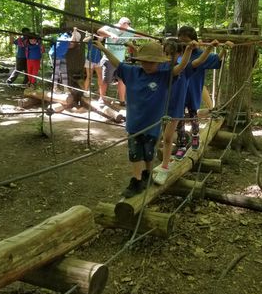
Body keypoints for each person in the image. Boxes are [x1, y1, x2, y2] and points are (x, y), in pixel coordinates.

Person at [93, 39, 195, 198]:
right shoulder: (132, 72)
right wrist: (102, 49)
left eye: (152, 62)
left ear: (158, 63)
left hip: (152, 125)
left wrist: (187, 51)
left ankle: (147, 173)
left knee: (149, 153)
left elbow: (180, 68)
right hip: (135, 124)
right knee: (135, 152)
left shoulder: (163, 76)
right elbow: (117, 63)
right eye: (145, 61)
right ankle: (136, 180)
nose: (148, 65)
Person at [153, 38, 220, 186]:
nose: (169, 56)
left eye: (172, 54)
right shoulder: (161, 66)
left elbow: (200, 61)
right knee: (159, 137)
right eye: (166, 53)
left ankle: (165, 167)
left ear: (179, 53)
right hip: (160, 108)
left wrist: (208, 48)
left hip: (175, 109)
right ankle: (157, 164)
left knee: (168, 138)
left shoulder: (186, 68)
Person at [176, 25, 234, 157]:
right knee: (179, 118)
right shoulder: (178, 53)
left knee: (193, 115)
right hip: (179, 92)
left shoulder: (200, 54)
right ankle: (181, 145)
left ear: (194, 40)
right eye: (181, 40)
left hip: (193, 90)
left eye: (186, 40)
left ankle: (195, 135)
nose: (184, 44)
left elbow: (216, 59)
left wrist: (224, 49)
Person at [97, 17, 135, 106]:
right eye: (123, 26)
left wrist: (151, 38)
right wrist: (110, 34)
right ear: (119, 24)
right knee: (105, 80)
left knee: (122, 80)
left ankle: (122, 100)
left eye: (127, 26)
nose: (125, 29)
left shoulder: (130, 30)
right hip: (108, 59)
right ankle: (101, 98)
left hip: (121, 61)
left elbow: (140, 34)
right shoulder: (110, 27)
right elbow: (99, 31)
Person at [49, 26, 79, 92]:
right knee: (56, 72)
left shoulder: (67, 39)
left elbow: (70, 45)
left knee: (64, 72)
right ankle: (54, 88)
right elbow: (71, 41)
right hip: (55, 54)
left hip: (61, 56)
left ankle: (65, 88)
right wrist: (74, 32)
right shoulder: (64, 37)